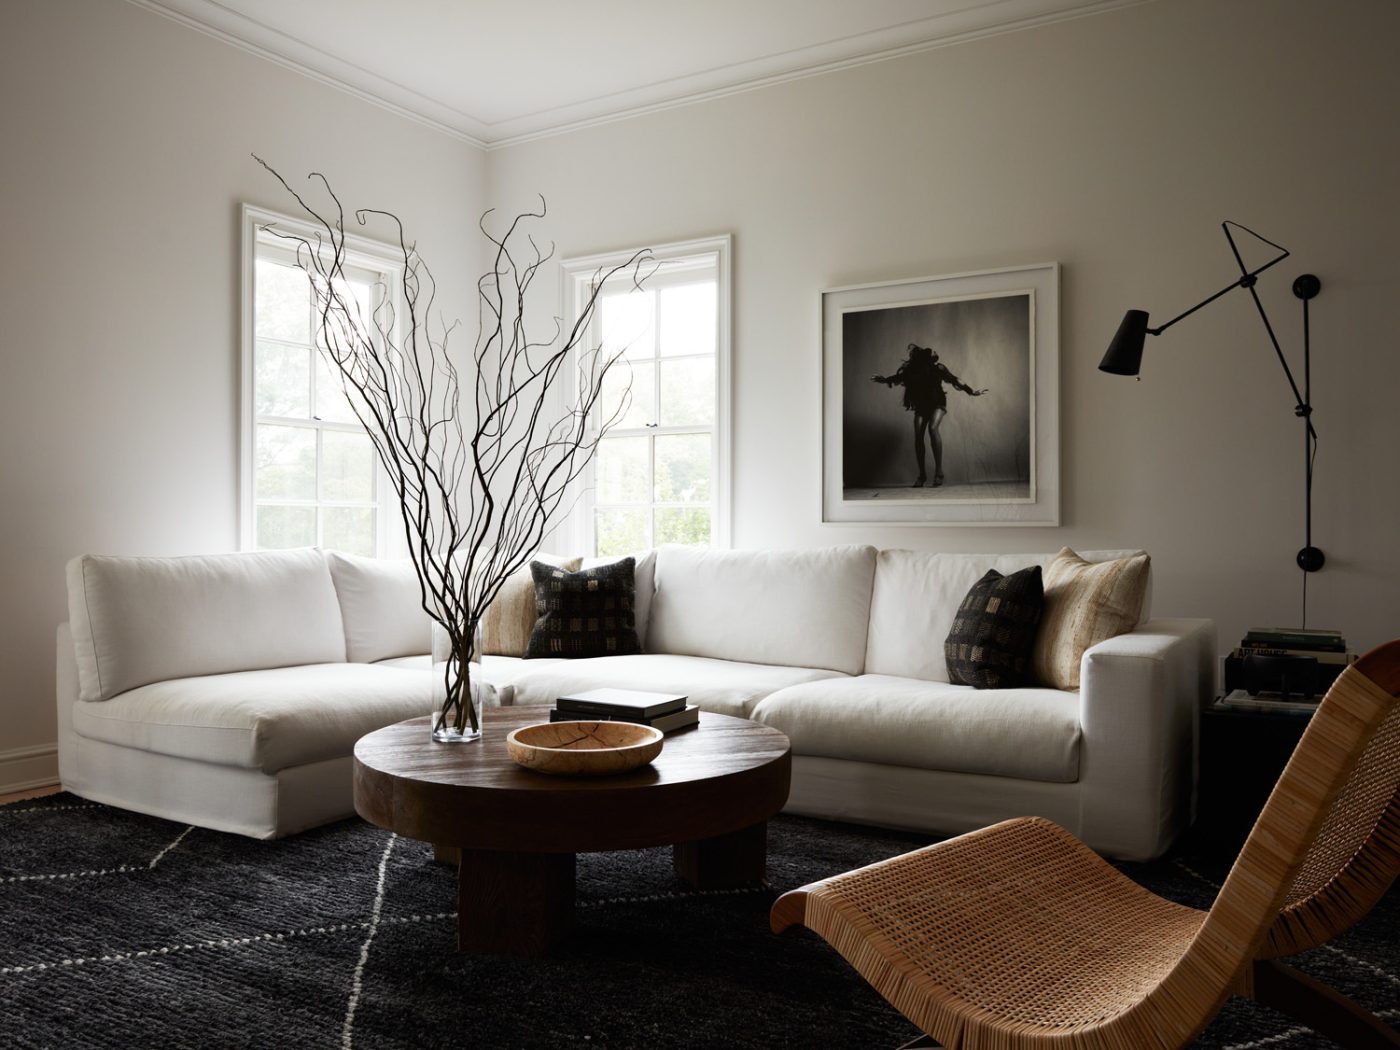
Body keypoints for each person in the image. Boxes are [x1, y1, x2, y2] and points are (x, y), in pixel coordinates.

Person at [871, 343, 988, 487]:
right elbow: (899, 377)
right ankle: (922, 475)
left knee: (932, 429)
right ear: (925, 357)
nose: (935, 352)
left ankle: (939, 472)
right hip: (921, 405)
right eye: (932, 352)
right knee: (918, 436)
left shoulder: (938, 368)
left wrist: (971, 391)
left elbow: (954, 379)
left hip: (938, 402)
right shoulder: (912, 370)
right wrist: (885, 380)